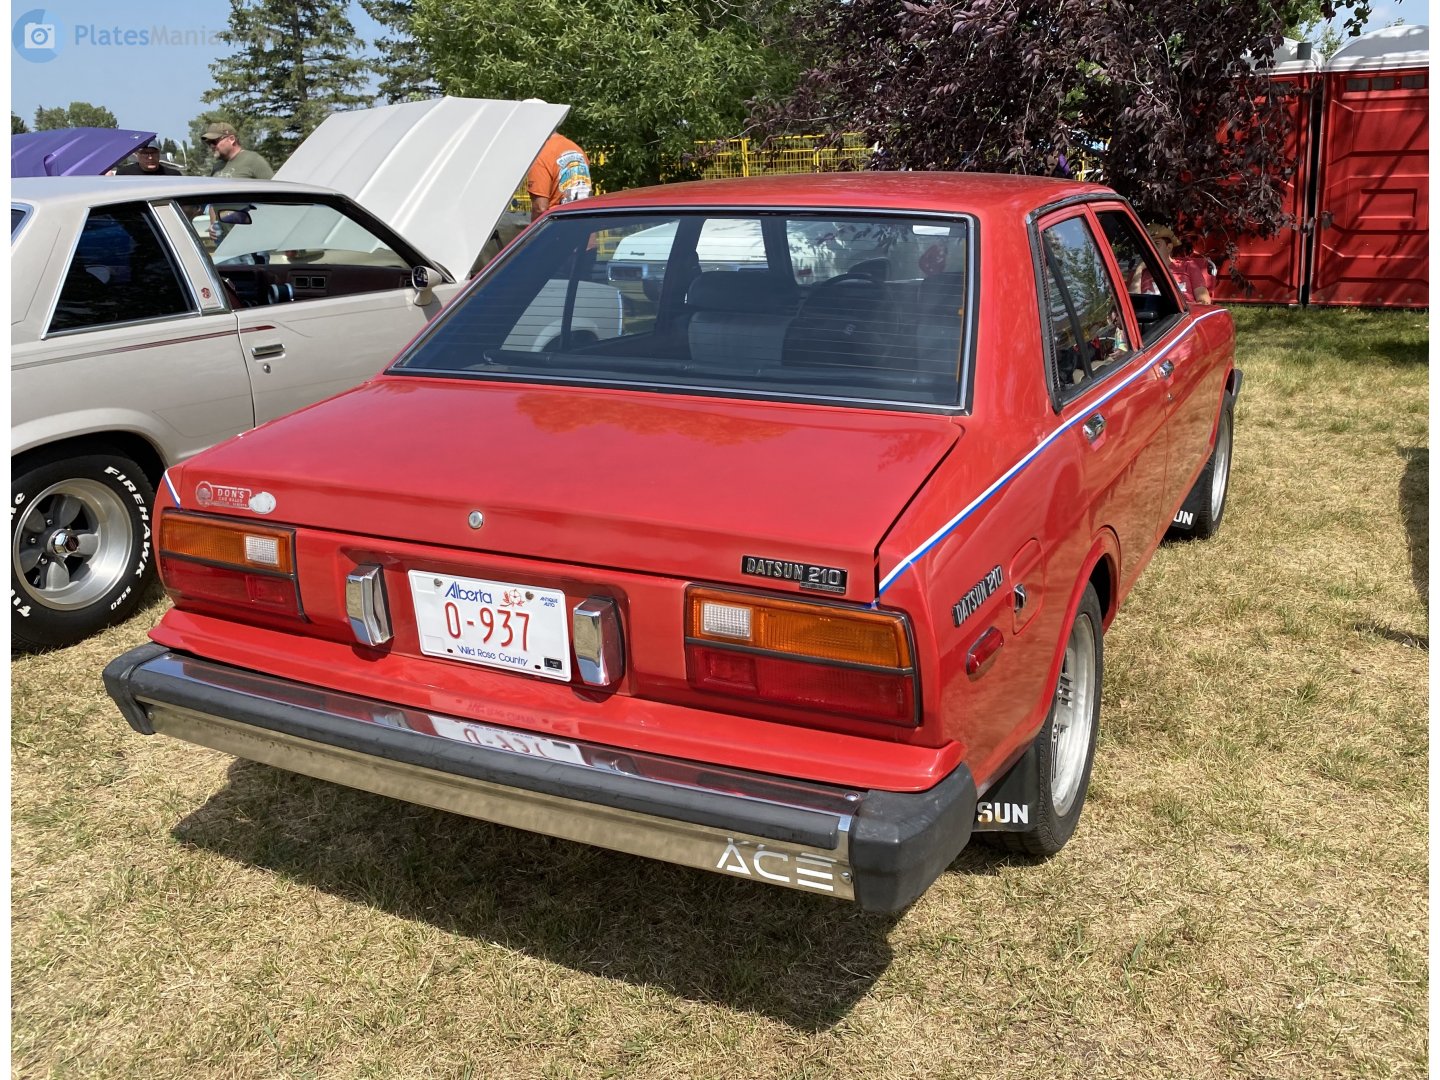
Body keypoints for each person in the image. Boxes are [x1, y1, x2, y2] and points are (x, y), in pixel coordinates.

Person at [1133, 222, 1212, 304]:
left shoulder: (1188, 266)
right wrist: (1139, 270)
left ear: (1169, 247)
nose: (1151, 249)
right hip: (1149, 315)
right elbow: (1133, 304)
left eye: (1156, 244)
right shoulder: (1141, 271)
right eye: (1147, 246)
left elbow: (1204, 301)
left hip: (1183, 315)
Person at [527, 131, 592, 220]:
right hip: (584, 220)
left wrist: (532, 233)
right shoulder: (577, 149)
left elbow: (540, 208)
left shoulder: (540, 155)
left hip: (558, 225)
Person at [202, 122, 273, 180]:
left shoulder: (254, 160)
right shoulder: (217, 166)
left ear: (231, 139)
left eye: (214, 142)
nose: (211, 146)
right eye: (209, 143)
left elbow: (275, 191)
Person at [114, 142, 182, 176]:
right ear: (136, 154)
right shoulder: (124, 174)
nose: (150, 157)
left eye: (153, 153)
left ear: (159, 153)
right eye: (145, 153)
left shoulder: (173, 175)